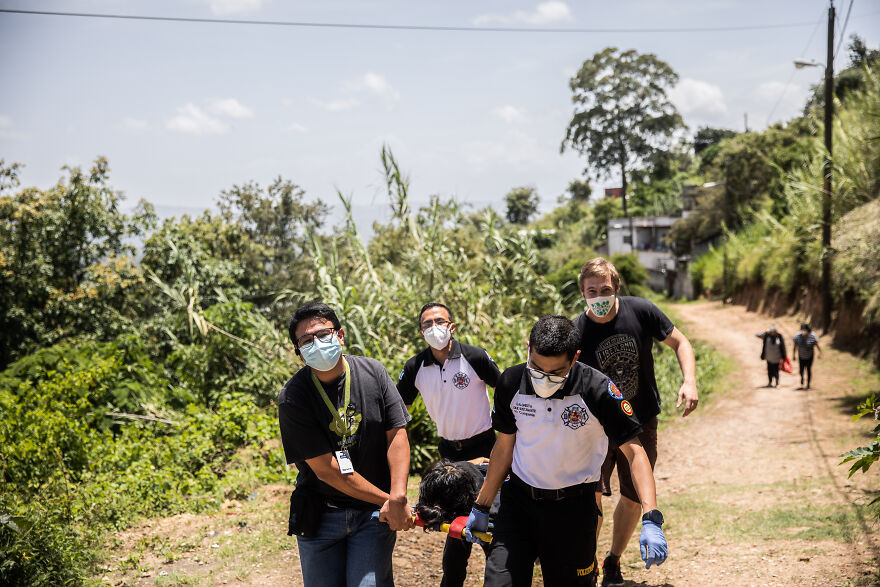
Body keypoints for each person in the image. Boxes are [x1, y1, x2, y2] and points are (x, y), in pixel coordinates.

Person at [465, 315, 668, 587]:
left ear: (575, 358)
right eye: (536, 367)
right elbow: (504, 446)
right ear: (528, 348)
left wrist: (651, 517)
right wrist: (482, 505)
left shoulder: (597, 389)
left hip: (574, 511)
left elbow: (635, 452)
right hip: (518, 506)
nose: (543, 378)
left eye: (556, 372)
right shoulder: (511, 382)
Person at [573, 257, 696, 587]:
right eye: (592, 290)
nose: (599, 296)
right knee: (592, 497)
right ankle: (586, 564)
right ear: (582, 292)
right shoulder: (577, 331)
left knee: (631, 496)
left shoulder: (641, 311)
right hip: (594, 428)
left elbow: (680, 342)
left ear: (617, 287)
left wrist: (690, 381)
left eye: (606, 289)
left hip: (640, 421)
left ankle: (612, 559)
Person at [278, 301, 415, 587]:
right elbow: (327, 470)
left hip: (373, 517)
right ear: (299, 353)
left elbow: (397, 434)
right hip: (320, 515)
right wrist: (389, 501)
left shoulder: (373, 372)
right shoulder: (293, 397)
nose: (317, 343)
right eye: (306, 340)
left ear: (340, 335)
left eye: (324, 334)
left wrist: (399, 495)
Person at [397, 302, 501, 586]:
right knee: (455, 527)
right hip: (449, 456)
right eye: (427, 324)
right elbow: (396, 412)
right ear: (421, 332)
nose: (434, 328)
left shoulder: (474, 357)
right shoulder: (415, 367)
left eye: (439, 321)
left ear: (451, 326)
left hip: (484, 450)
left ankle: (502, 575)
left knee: (490, 520)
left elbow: (505, 390)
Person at [792, 322, 822, 389]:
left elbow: (817, 345)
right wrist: (793, 355)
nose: (803, 330)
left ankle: (808, 384)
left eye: (804, 329)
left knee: (808, 369)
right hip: (801, 356)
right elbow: (795, 346)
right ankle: (802, 378)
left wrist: (820, 353)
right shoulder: (797, 336)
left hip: (810, 356)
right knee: (801, 370)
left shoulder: (813, 336)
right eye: (802, 329)